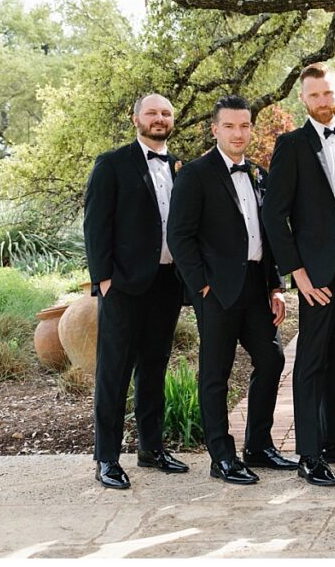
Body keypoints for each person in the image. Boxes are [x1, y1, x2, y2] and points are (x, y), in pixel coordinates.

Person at [167, 95, 296, 485]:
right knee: (215, 375)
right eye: (229, 126)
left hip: (257, 289)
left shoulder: (259, 174)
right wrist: (201, 286)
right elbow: (179, 236)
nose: (238, 133)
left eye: (244, 126)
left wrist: (275, 286)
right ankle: (221, 457)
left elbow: (269, 234)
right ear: (215, 129)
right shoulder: (195, 173)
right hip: (217, 293)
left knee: (271, 360)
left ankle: (258, 445)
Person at [261, 62, 335, 486]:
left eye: (328, 93)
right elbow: (274, 216)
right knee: (311, 359)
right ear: (304, 99)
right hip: (316, 268)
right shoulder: (291, 145)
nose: (323, 102)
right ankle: (310, 454)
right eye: (315, 96)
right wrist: (298, 274)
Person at [83, 93, 188, 490]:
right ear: (136, 119)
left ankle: (151, 448)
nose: (159, 119)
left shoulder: (180, 167)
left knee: (154, 369)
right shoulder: (112, 164)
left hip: (167, 284)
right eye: (152, 113)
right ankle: (107, 459)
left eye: (165, 113)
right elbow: (95, 225)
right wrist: (104, 279)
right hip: (124, 286)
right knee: (114, 372)